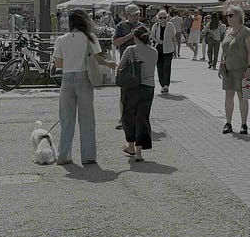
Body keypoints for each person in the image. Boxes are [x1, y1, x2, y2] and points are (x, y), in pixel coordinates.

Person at [53, 11, 115, 165]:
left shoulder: (61, 39)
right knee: (87, 119)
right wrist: (108, 63)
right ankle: (88, 156)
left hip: (67, 80)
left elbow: (58, 64)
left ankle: (64, 155)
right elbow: (96, 58)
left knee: (66, 119)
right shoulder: (90, 38)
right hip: (84, 78)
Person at [118, 25, 158, 162]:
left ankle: (130, 146)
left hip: (132, 87)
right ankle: (139, 152)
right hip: (149, 87)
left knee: (129, 116)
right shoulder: (154, 51)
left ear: (135, 38)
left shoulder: (130, 50)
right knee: (142, 117)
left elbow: (121, 66)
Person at [216, 7, 250, 134]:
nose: (228, 18)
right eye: (227, 15)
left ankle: (244, 124)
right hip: (228, 69)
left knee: (242, 97)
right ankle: (228, 123)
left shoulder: (246, 32)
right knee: (228, 96)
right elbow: (224, 49)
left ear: (239, 16)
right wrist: (221, 64)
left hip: (241, 69)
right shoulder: (228, 31)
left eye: (231, 15)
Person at [150, 10, 180, 95]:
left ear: (167, 17)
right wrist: (157, 40)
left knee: (167, 67)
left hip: (169, 48)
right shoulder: (155, 26)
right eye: (161, 18)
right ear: (158, 18)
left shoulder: (171, 25)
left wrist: (175, 50)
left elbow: (174, 38)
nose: (163, 19)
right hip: (158, 48)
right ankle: (162, 84)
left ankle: (166, 85)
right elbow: (152, 35)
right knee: (160, 67)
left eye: (165, 17)